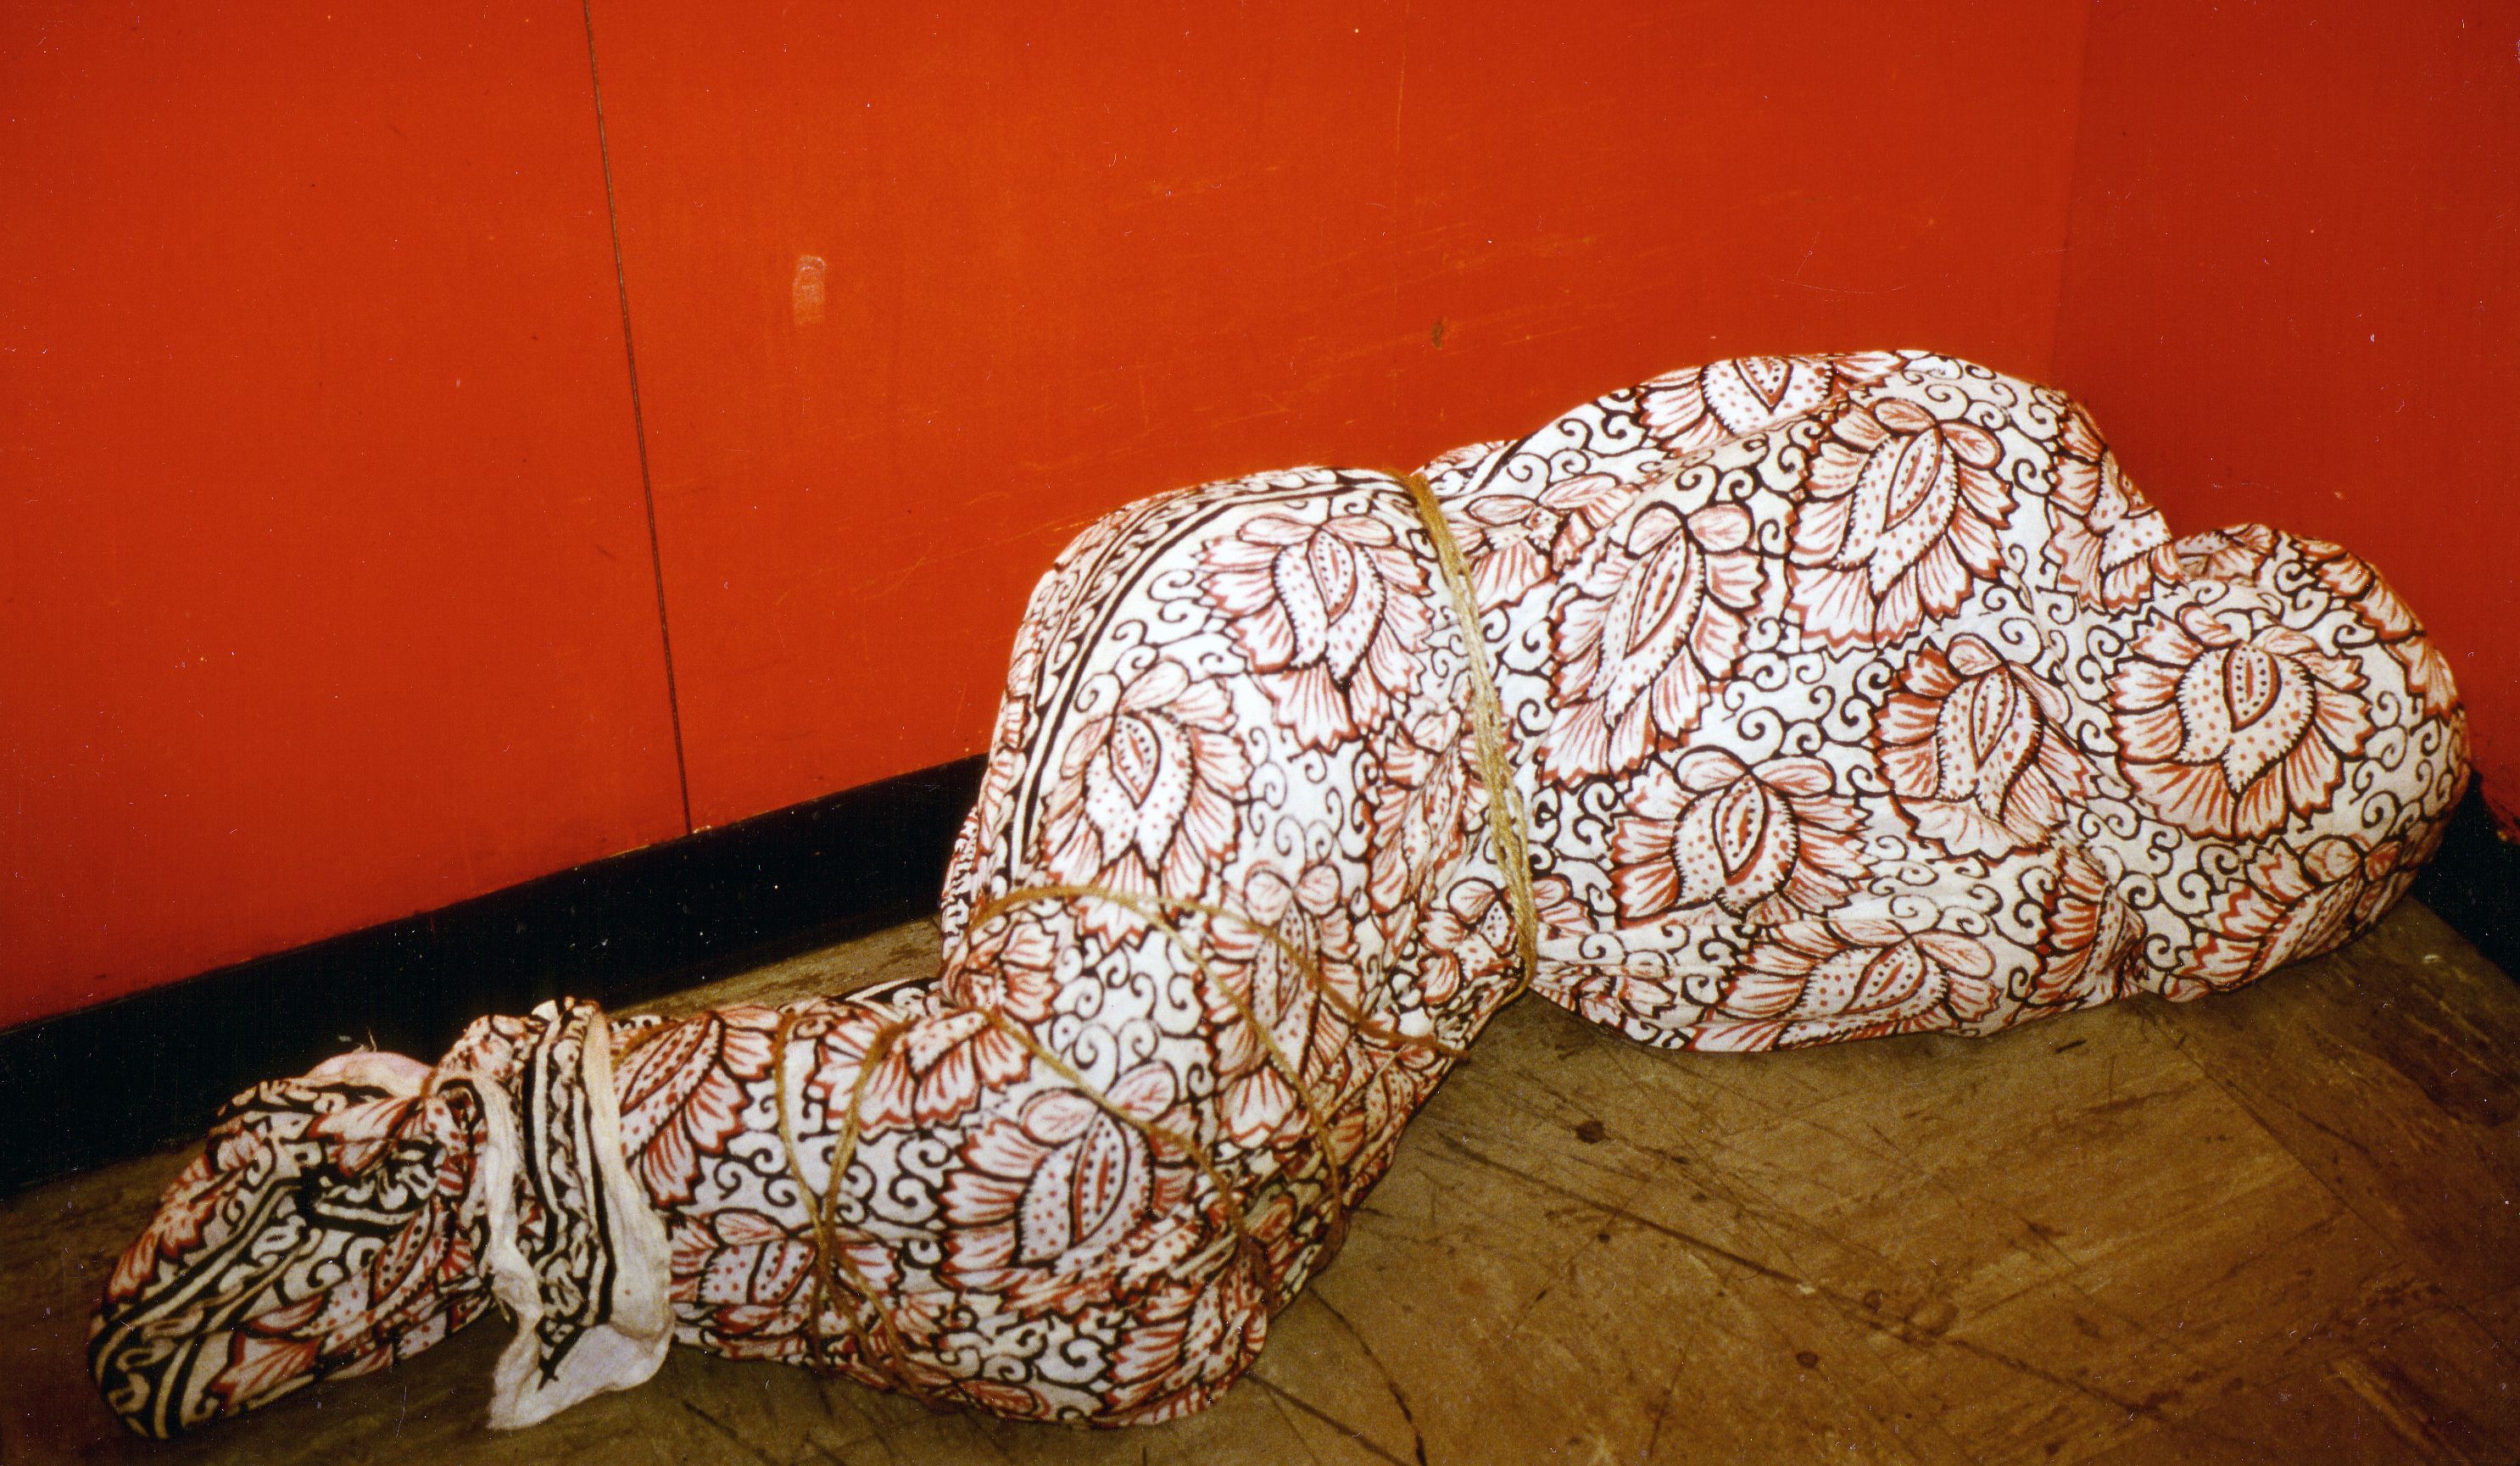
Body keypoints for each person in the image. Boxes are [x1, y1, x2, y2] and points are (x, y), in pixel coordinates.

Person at [92, 350, 2469, 1439]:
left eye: (2266, 870)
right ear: (2232, 635)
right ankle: (437, 1171)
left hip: (1380, 816)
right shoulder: (2015, 478)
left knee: (1141, 1321)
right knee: (1102, 1187)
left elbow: (1738, 929)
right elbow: (1676, 513)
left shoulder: (2042, 845)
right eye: (2262, 804)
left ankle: (556, 1177)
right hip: (1349, 674)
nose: (2216, 858)